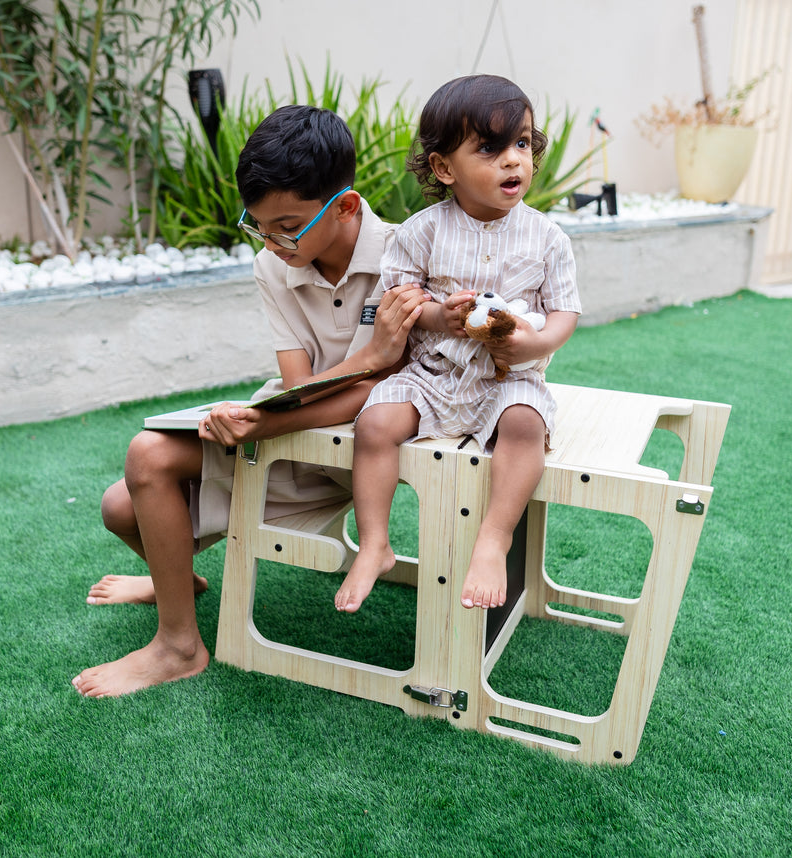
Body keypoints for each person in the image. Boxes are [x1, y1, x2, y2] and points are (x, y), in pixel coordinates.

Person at [73, 105, 427, 698]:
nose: (271, 242)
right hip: (294, 429)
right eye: (257, 225)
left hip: (363, 453)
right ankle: (175, 584)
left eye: (286, 226)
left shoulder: (404, 255)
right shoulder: (273, 262)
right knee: (119, 506)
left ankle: (178, 646)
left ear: (344, 206)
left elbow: (381, 394)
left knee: (147, 456)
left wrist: (351, 379)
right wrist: (366, 360)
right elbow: (298, 383)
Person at [333, 75, 582, 614]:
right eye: (489, 149)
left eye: (522, 143)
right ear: (445, 168)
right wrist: (439, 316)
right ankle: (375, 542)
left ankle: (494, 537)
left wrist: (536, 343)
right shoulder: (421, 231)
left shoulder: (547, 238)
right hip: (432, 376)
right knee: (374, 424)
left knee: (525, 425)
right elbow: (400, 300)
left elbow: (566, 312)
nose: (513, 160)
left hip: (507, 380)